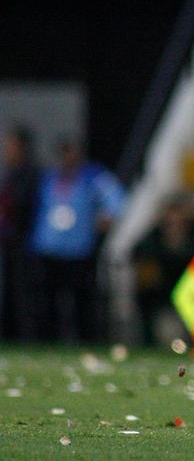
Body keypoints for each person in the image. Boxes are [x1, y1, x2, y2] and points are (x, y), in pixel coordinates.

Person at [28, 138, 124, 342]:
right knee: (48, 301)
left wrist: (107, 216)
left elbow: (116, 198)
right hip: (48, 248)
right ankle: (48, 341)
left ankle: (85, 340)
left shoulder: (92, 176)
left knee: (81, 301)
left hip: (79, 249)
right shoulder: (48, 178)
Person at [134, 193, 194, 346]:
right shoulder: (154, 236)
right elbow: (137, 254)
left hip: (193, 297)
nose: (175, 220)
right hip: (163, 298)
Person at [0, 125, 39, 341]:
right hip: (9, 242)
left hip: (24, 243)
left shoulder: (30, 174)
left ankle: (26, 337)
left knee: (24, 294)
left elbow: (21, 207)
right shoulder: (9, 172)